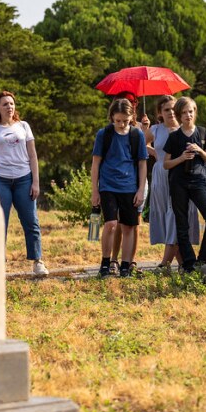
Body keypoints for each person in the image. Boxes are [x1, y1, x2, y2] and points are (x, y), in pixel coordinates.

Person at [0, 91, 48, 276]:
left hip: (23, 179)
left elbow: (33, 155)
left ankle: (37, 262)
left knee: (31, 221)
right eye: (5, 104)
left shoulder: (24, 126)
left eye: (11, 104)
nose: (9, 107)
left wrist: (35, 182)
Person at [90, 98, 148, 278]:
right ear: (112, 118)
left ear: (132, 117)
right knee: (111, 224)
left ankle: (125, 264)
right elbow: (95, 163)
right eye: (118, 121)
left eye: (125, 120)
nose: (122, 124)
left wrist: (140, 189)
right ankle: (106, 263)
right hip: (108, 185)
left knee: (129, 226)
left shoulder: (136, 135)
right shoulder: (104, 134)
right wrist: (95, 190)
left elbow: (142, 164)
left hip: (130, 186)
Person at [163, 97, 206, 272]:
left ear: (195, 112)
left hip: (198, 182)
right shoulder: (174, 137)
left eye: (191, 111)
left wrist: (199, 150)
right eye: (185, 112)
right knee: (182, 223)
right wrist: (182, 158)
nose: (188, 115)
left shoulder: (203, 133)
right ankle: (188, 262)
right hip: (178, 182)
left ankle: (203, 258)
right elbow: (166, 164)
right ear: (179, 115)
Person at [146, 95, 199, 270]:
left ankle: (164, 264)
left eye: (172, 108)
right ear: (160, 112)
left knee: (176, 217)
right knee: (167, 217)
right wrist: (155, 152)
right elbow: (138, 144)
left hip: (180, 175)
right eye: (166, 109)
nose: (170, 112)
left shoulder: (184, 129)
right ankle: (183, 263)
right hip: (161, 175)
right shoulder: (155, 129)